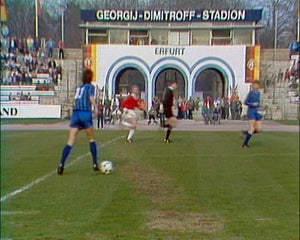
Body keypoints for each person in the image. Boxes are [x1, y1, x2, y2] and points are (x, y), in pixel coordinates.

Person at [57, 69, 99, 175]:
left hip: (76, 114)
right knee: (91, 139)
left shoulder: (79, 88)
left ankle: (61, 164)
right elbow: (90, 97)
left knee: (70, 141)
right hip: (85, 113)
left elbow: (76, 99)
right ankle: (94, 164)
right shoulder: (90, 87)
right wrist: (95, 107)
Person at [242, 80, 262, 148]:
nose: (256, 86)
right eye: (255, 85)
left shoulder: (259, 93)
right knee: (252, 127)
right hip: (251, 111)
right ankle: (245, 143)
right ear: (253, 86)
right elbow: (245, 102)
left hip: (257, 111)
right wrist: (252, 104)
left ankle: (248, 133)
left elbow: (258, 102)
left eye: (257, 85)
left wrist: (259, 107)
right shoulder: (250, 93)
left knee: (259, 129)